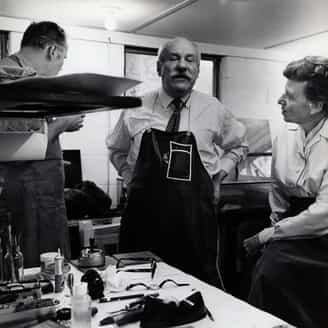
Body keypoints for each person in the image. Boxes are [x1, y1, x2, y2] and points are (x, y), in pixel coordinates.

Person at [107, 37, 248, 287]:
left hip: (195, 221)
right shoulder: (135, 106)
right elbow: (116, 149)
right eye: (173, 58)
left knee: (197, 290)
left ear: (197, 70)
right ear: (159, 67)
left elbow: (239, 145)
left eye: (189, 59)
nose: (182, 65)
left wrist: (218, 178)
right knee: (138, 286)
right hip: (144, 219)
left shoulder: (213, 108)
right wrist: (129, 177)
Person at [244, 56, 328, 328]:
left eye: (290, 96)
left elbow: (322, 215)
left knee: (278, 274)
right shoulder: (284, 135)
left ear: (315, 105)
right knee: (267, 273)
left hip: (322, 231)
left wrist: (268, 235)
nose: (280, 100)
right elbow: (278, 191)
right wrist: (274, 229)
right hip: (291, 224)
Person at [0, 21, 85, 267]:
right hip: (26, 205)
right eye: (62, 59)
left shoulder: (27, 81)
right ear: (51, 51)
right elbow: (12, 148)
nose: (60, 68)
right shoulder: (10, 78)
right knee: (32, 273)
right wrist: (62, 125)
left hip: (41, 198)